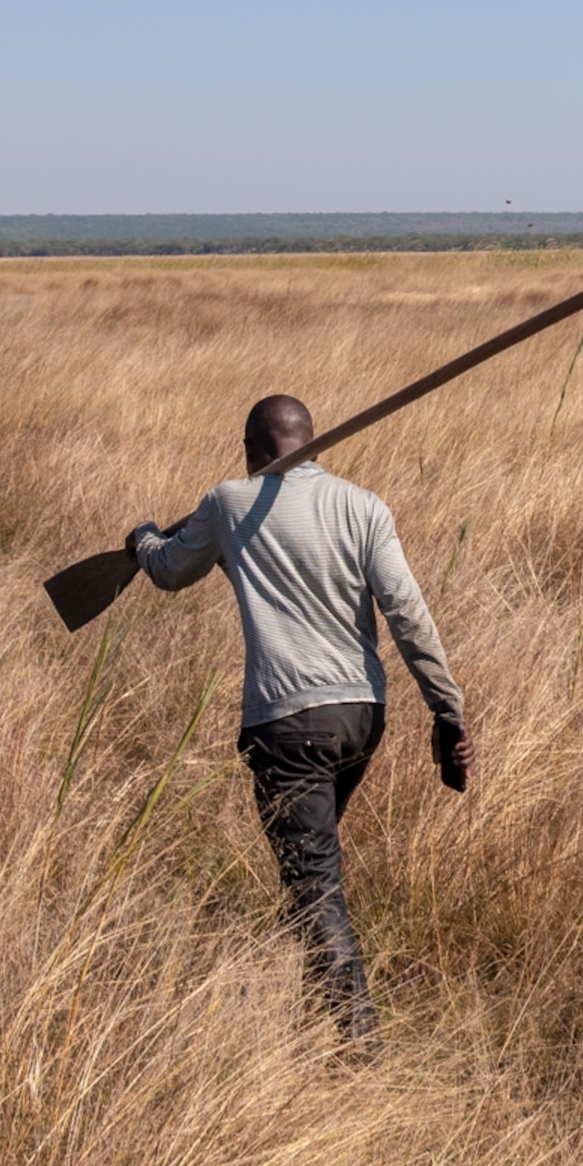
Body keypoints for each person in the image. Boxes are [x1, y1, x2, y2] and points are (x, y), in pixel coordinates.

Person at [127, 395, 471, 1042]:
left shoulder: (229, 501)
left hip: (288, 728)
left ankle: (357, 1046)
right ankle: (307, 1027)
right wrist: (446, 709)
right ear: (312, 443)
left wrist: (143, 539)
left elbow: (171, 571)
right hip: (362, 720)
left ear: (253, 452)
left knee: (314, 888)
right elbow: (408, 616)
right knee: (308, 875)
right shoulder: (364, 506)